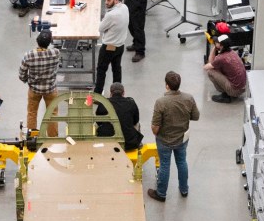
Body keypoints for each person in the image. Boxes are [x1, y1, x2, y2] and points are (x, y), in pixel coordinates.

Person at [148, 71, 200, 202]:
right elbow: (196, 116)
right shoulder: (188, 98)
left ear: (166, 85)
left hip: (165, 140)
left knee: (165, 165)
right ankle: (184, 189)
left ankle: (161, 193)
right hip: (182, 138)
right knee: (182, 162)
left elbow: (155, 127)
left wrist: (157, 133)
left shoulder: (161, 102)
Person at [19, 30, 61, 136]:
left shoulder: (29, 55)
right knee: (52, 114)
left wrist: (28, 81)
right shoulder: (56, 53)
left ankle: (32, 138)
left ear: (37, 41)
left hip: (34, 90)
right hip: (50, 89)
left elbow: (21, 75)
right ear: (50, 42)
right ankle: (52, 139)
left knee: (32, 113)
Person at [95, 0, 129, 95]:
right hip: (120, 46)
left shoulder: (111, 15)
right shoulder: (124, 7)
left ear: (116, 0)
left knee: (101, 70)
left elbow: (100, 28)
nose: (106, 2)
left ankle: (97, 93)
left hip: (109, 47)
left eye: (108, 0)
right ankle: (117, 93)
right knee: (116, 69)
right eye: (105, 0)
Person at [95, 83, 142, 151]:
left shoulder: (104, 103)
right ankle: (139, 143)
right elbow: (135, 120)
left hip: (107, 143)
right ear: (123, 93)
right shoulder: (131, 103)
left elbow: (98, 122)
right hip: (129, 144)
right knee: (138, 124)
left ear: (111, 93)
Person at [204, 35, 248, 103]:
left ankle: (225, 95)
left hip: (235, 90)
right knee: (218, 68)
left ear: (221, 45)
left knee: (210, 71)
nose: (215, 43)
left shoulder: (221, 58)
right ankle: (230, 92)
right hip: (243, 87)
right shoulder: (232, 52)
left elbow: (207, 66)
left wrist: (213, 49)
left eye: (216, 42)